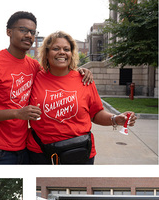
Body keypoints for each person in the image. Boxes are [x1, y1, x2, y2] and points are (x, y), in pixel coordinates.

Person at [0, 11, 93, 164]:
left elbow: (58, 71)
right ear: (9, 32)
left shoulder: (34, 66)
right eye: (23, 30)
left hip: (24, 148)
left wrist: (80, 71)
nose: (29, 35)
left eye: (32, 32)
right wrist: (17, 113)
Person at [26, 31, 137, 164]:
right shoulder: (35, 77)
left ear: (71, 54)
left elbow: (96, 113)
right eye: (56, 48)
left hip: (78, 152)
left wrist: (114, 119)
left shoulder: (84, 79)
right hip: (40, 153)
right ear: (47, 52)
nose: (62, 52)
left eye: (66, 49)